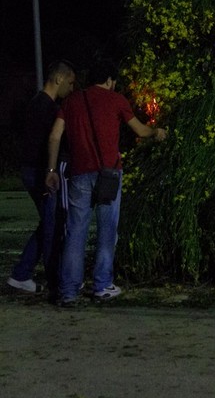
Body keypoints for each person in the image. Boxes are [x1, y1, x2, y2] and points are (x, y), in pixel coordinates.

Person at [45, 59, 166, 307]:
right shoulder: (117, 100)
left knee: (75, 232)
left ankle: (68, 291)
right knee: (107, 230)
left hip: (78, 174)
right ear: (110, 80)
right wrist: (157, 133)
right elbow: (141, 131)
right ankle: (101, 285)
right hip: (109, 174)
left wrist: (51, 169)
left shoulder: (71, 101)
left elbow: (55, 135)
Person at [7, 60, 76, 296]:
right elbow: (51, 141)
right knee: (52, 225)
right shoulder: (48, 108)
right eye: (70, 82)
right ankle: (56, 281)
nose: (71, 88)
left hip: (30, 170)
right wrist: (51, 171)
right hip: (40, 172)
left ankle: (21, 273)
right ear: (58, 79)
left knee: (49, 222)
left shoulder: (35, 103)